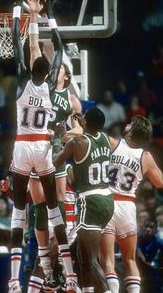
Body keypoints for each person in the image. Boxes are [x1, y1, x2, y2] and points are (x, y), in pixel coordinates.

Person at [8, 0, 77, 293]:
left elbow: (22, 46)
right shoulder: (51, 86)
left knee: (20, 209)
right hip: (45, 147)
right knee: (49, 209)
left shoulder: (26, 80)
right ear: (53, 72)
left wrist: (16, 10)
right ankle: (65, 272)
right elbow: (56, 48)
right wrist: (46, 14)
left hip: (25, 144)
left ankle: (16, 279)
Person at [52, 107, 114, 293]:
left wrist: (57, 138)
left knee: (91, 258)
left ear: (86, 122)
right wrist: (83, 123)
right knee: (82, 255)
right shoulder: (105, 138)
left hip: (90, 201)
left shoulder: (77, 142)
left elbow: (55, 161)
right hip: (107, 200)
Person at [100, 115, 163, 293]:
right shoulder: (146, 156)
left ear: (130, 131)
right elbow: (159, 183)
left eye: (129, 124)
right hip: (128, 206)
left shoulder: (112, 143)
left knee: (108, 260)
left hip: (108, 204)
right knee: (130, 259)